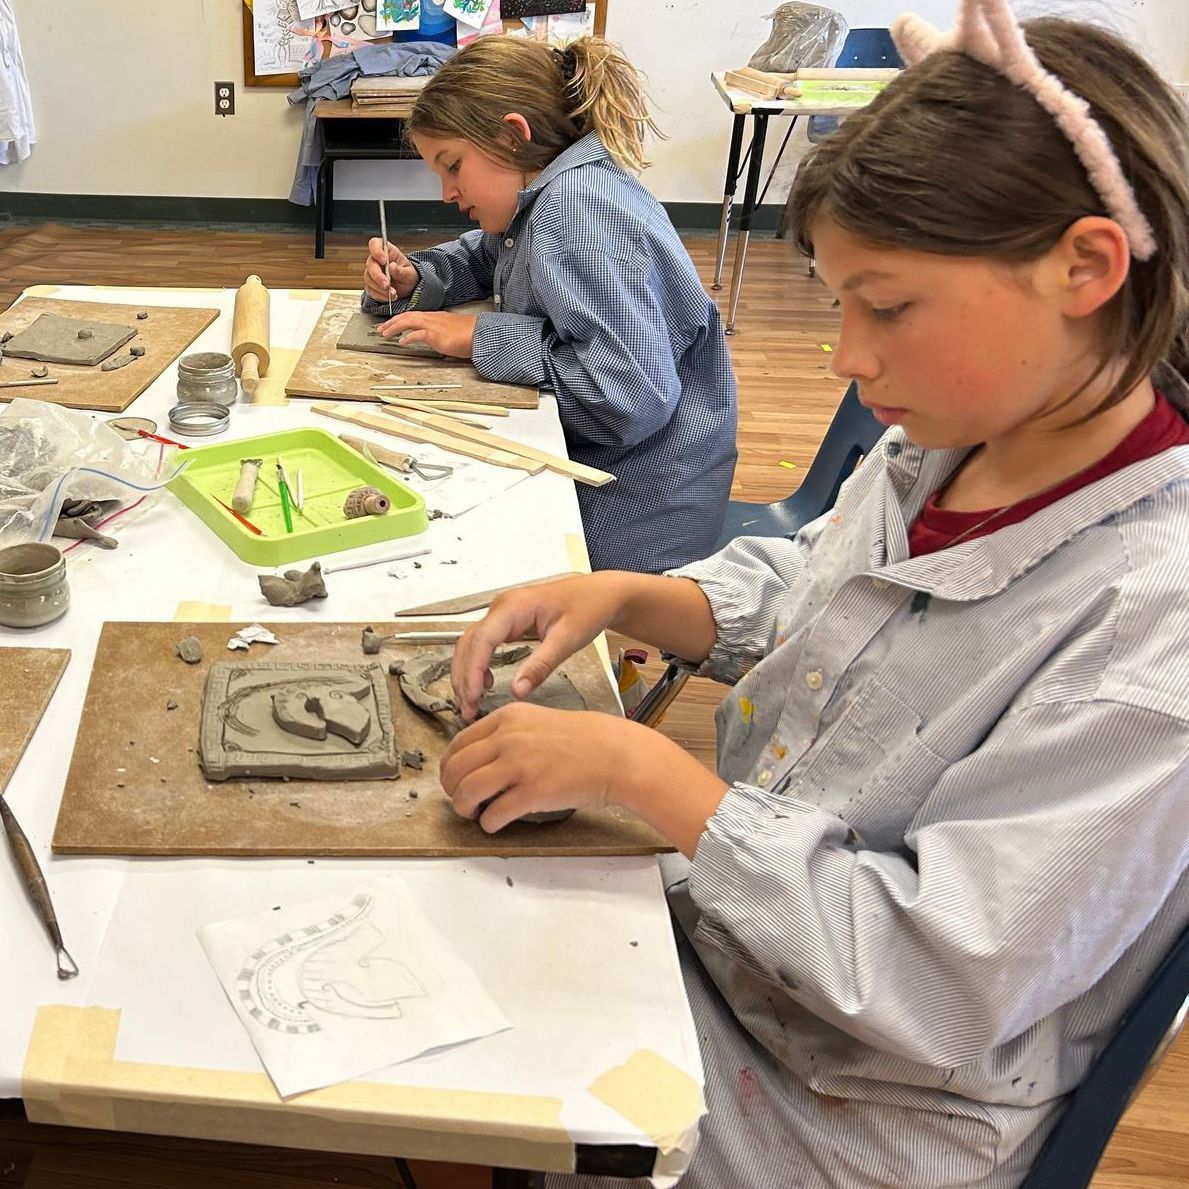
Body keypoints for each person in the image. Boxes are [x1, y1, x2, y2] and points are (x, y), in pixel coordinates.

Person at [437, 3, 1189, 1185]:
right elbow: (818, 583)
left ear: (1084, 267)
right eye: (838, 302)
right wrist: (628, 594)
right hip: (755, 949)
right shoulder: (950, 441)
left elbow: (936, 979)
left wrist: (644, 774)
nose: (844, 356)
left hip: (859, 1103)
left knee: (451, 1024)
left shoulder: (1153, 634)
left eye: (884, 306)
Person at [358, 35, 737, 574]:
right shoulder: (547, 195)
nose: (446, 192)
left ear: (513, 136)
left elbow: (629, 400)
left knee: (448, 547)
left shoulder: (578, 209)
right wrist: (418, 277)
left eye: (453, 166)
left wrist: (480, 338)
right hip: (608, 470)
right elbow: (492, 257)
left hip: (633, 507)